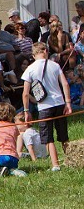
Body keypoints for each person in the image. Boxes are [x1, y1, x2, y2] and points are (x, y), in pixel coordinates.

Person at [21, 42, 72, 172]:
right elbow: (65, 84)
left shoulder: (30, 69)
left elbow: (26, 93)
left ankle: (55, 165)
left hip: (44, 106)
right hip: (59, 103)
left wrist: (26, 111)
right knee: (63, 135)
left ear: (33, 55)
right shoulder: (55, 65)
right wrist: (68, 103)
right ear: (46, 52)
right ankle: (70, 160)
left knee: (48, 137)